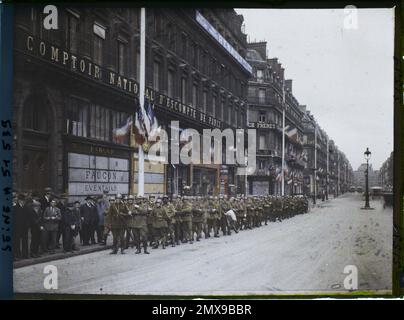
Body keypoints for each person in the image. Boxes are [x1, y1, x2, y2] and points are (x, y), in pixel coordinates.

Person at [13, 194, 29, 260]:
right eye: (22, 200)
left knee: (25, 241)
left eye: (24, 200)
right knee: (17, 241)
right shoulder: (15, 208)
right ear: (19, 200)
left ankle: (25, 254)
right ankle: (18, 254)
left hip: (25, 227)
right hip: (17, 228)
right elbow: (14, 218)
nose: (23, 202)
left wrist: (27, 225)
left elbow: (28, 217)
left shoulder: (26, 207)